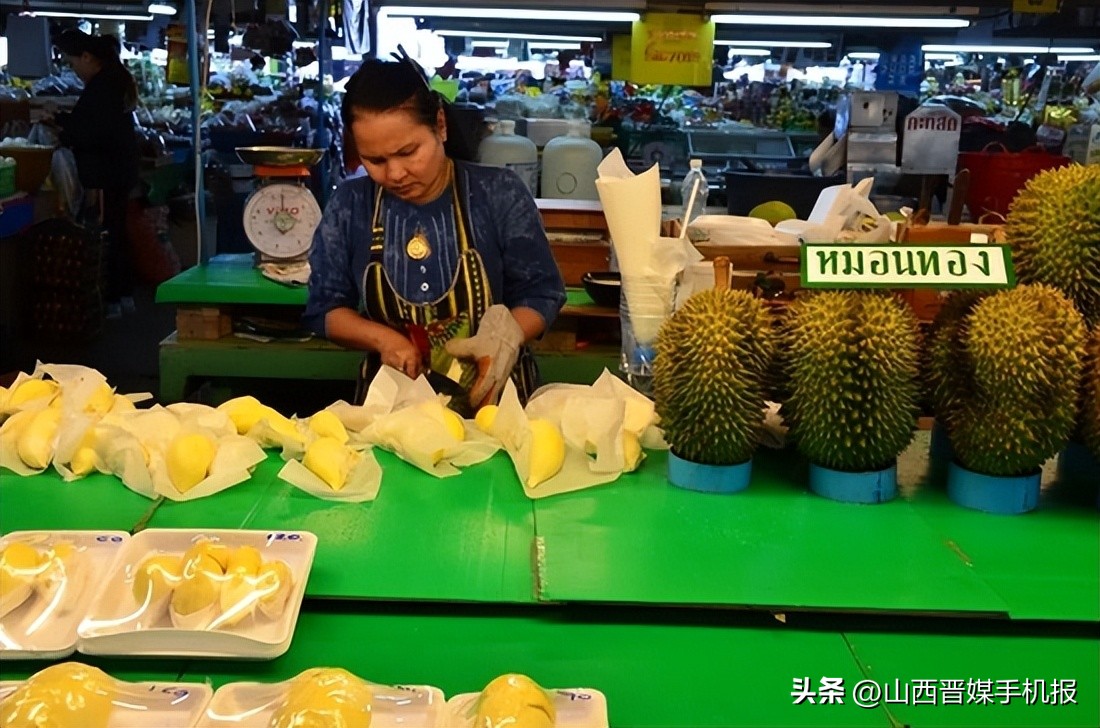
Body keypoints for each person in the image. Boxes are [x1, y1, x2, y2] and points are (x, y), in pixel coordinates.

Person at [303, 56, 566, 415]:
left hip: (498, 407)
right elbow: (326, 310)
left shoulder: (498, 193)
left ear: (440, 125)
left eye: (408, 152)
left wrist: (507, 334)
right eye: (374, 160)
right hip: (391, 413)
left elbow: (542, 292)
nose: (395, 173)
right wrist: (384, 339)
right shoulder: (350, 204)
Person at [52, 29, 141, 319]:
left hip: (106, 172)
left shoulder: (102, 87)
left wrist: (64, 131)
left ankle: (114, 298)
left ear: (88, 57)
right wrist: (65, 121)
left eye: (73, 62)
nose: (74, 69)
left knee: (108, 234)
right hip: (118, 169)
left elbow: (93, 132)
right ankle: (123, 295)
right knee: (117, 231)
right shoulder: (112, 82)